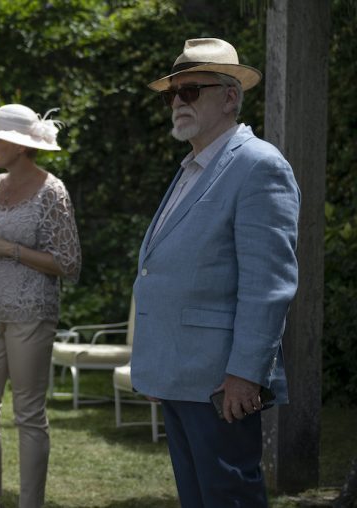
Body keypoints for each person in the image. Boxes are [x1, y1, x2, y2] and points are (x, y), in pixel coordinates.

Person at [131, 37, 300, 507]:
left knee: (229, 497)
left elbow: (269, 286)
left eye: (191, 91)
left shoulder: (258, 166)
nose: (178, 104)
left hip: (220, 382)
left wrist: (246, 374)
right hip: (182, 374)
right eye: (172, 94)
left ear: (229, 97)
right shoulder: (194, 166)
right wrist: (156, 365)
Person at [0, 104, 81, 508]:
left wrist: (13, 250)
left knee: (27, 414)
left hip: (30, 314)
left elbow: (69, 263)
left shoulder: (51, 191)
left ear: (21, 146)